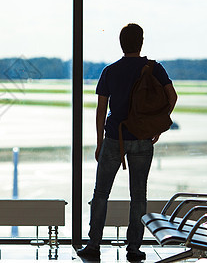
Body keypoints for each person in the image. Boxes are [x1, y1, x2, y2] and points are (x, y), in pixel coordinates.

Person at [77, 23, 178, 262]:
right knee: (138, 195)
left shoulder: (110, 71)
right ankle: (134, 248)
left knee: (101, 193)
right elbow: (172, 97)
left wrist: (99, 142)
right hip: (143, 139)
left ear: (121, 43)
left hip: (114, 138)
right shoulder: (154, 69)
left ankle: (93, 245)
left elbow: (101, 109)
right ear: (141, 42)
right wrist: (155, 125)